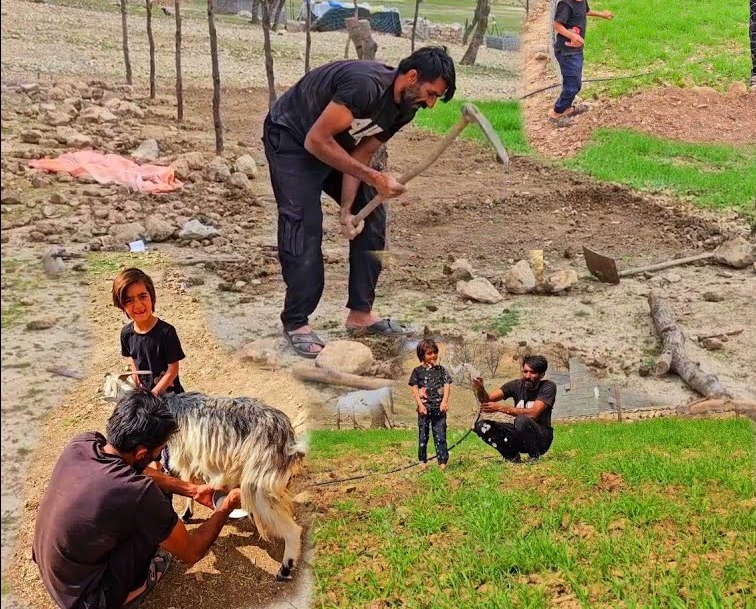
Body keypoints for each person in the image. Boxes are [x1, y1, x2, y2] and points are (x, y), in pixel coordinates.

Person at [262, 46, 457, 358]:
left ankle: (360, 314)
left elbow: (361, 153)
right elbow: (315, 140)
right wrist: (376, 177)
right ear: (412, 77)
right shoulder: (365, 85)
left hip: (333, 145)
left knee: (373, 211)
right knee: (302, 221)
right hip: (292, 139)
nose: (431, 104)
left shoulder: (405, 108)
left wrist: (347, 208)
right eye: (431, 93)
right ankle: (296, 321)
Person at [32, 390, 244, 609]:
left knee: (148, 510)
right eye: (159, 451)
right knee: (153, 518)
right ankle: (135, 588)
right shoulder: (138, 494)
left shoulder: (84, 443)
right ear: (143, 454)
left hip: (57, 572)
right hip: (87, 600)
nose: (159, 456)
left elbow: (132, 470)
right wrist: (227, 505)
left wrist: (192, 490)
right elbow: (192, 551)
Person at [548, 0, 613, 128]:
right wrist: (572, 35)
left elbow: (586, 11)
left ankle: (568, 109)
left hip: (576, 50)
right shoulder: (566, 4)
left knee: (575, 82)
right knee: (572, 85)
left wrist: (602, 15)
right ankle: (555, 113)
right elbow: (557, 24)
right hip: (566, 50)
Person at [471, 355, 557, 463]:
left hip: (541, 439)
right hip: (520, 435)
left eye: (532, 372)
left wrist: (501, 408)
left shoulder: (548, 387)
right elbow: (487, 400)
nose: (527, 376)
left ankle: (534, 457)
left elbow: (533, 414)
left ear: (542, 375)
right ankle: (511, 456)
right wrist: (480, 388)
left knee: (521, 420)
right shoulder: (515, 385)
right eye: (525, 371)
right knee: (481, 426)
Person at [114, 268, 185, 397]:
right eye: (129, 300)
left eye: (142, 296)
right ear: (122, 305)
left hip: (171, 398)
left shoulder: (166, 332)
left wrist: (155, 393)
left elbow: (173, 368)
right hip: (145, 395)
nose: (138, 305)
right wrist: (135, 375)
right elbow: (131, 356)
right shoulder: (126, 334)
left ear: (151, 297)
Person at [408, 338, 452, 470]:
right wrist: (420, 405)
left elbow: (447, 385)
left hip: (439, 409)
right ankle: (423, 462)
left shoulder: (441, 370)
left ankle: (442, 463)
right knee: (423, 436)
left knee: (441, 436)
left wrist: (444, 402)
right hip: (424, 410)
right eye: (429, 353)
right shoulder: (417, 371)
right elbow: (415, 389)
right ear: (422, 355)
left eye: (435, 352)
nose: (433, 356)